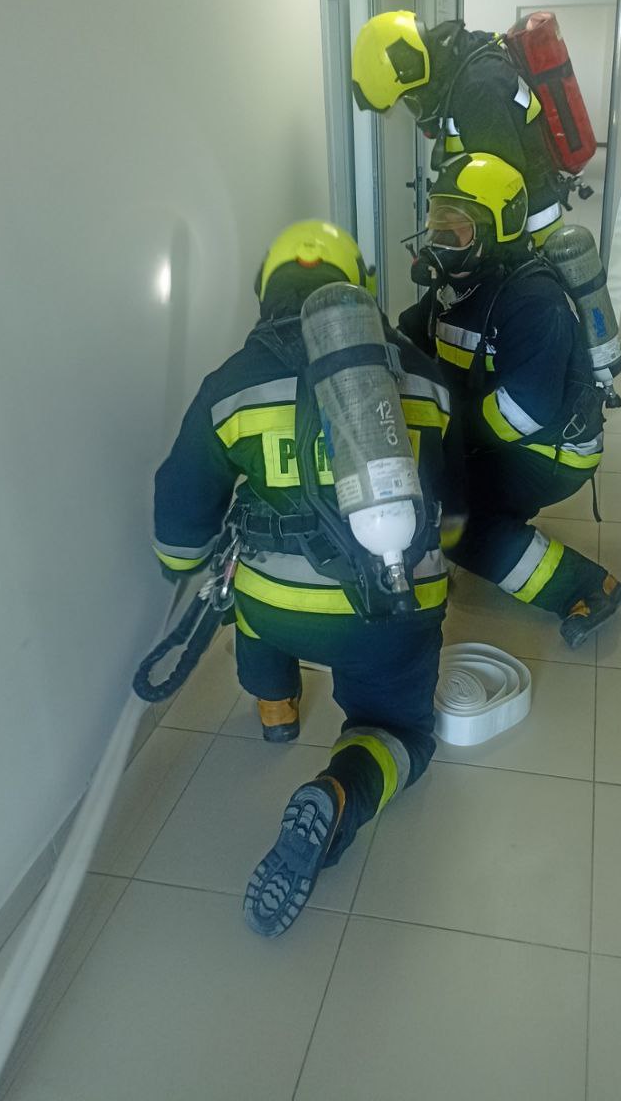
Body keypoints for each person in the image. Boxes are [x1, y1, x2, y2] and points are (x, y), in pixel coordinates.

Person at [152, 220, 458, 937]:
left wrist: (182, 566)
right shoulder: (421, 375)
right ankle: (341, 790)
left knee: (254, 621)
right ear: (360, 286)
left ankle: (277, 713)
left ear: (266, 288)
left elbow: (181, 505)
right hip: (390, 607)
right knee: (402, 729)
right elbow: (450, 500)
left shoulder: (230, 384)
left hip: (276, 607)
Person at [397, 152, 621, 648]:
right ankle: (498, 518)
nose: (438, 238)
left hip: (553, 450)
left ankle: (587, 588)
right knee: (443, 486)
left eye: (455, 227)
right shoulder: (457, 285)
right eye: (435, 221)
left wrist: (448, 439)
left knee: (455, 524)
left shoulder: (533, 301)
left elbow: (525, 411)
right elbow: (415, 338)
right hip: (499, 435)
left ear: (495, 229)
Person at [352, 10, 568, 245]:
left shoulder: (478, 90)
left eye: (408, 100)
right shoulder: (460, 66)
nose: (413, 111)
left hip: (528, 231)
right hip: (515, 219)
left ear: (411, 70)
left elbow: (499, 191)